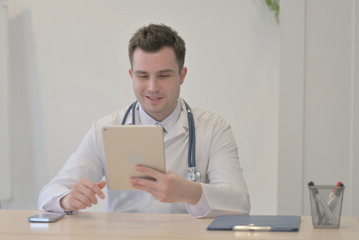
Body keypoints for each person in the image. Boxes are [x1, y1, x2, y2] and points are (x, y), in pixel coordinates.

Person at [38, 24, 250, 218]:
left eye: (164, 75)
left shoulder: (213, 129)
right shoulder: (105, 129)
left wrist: (191, 192)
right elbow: (49, 193)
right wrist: (67, 200)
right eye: (142, 76)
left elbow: (240, 203)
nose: (152, 87)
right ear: (131, 75)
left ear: (182, 75)